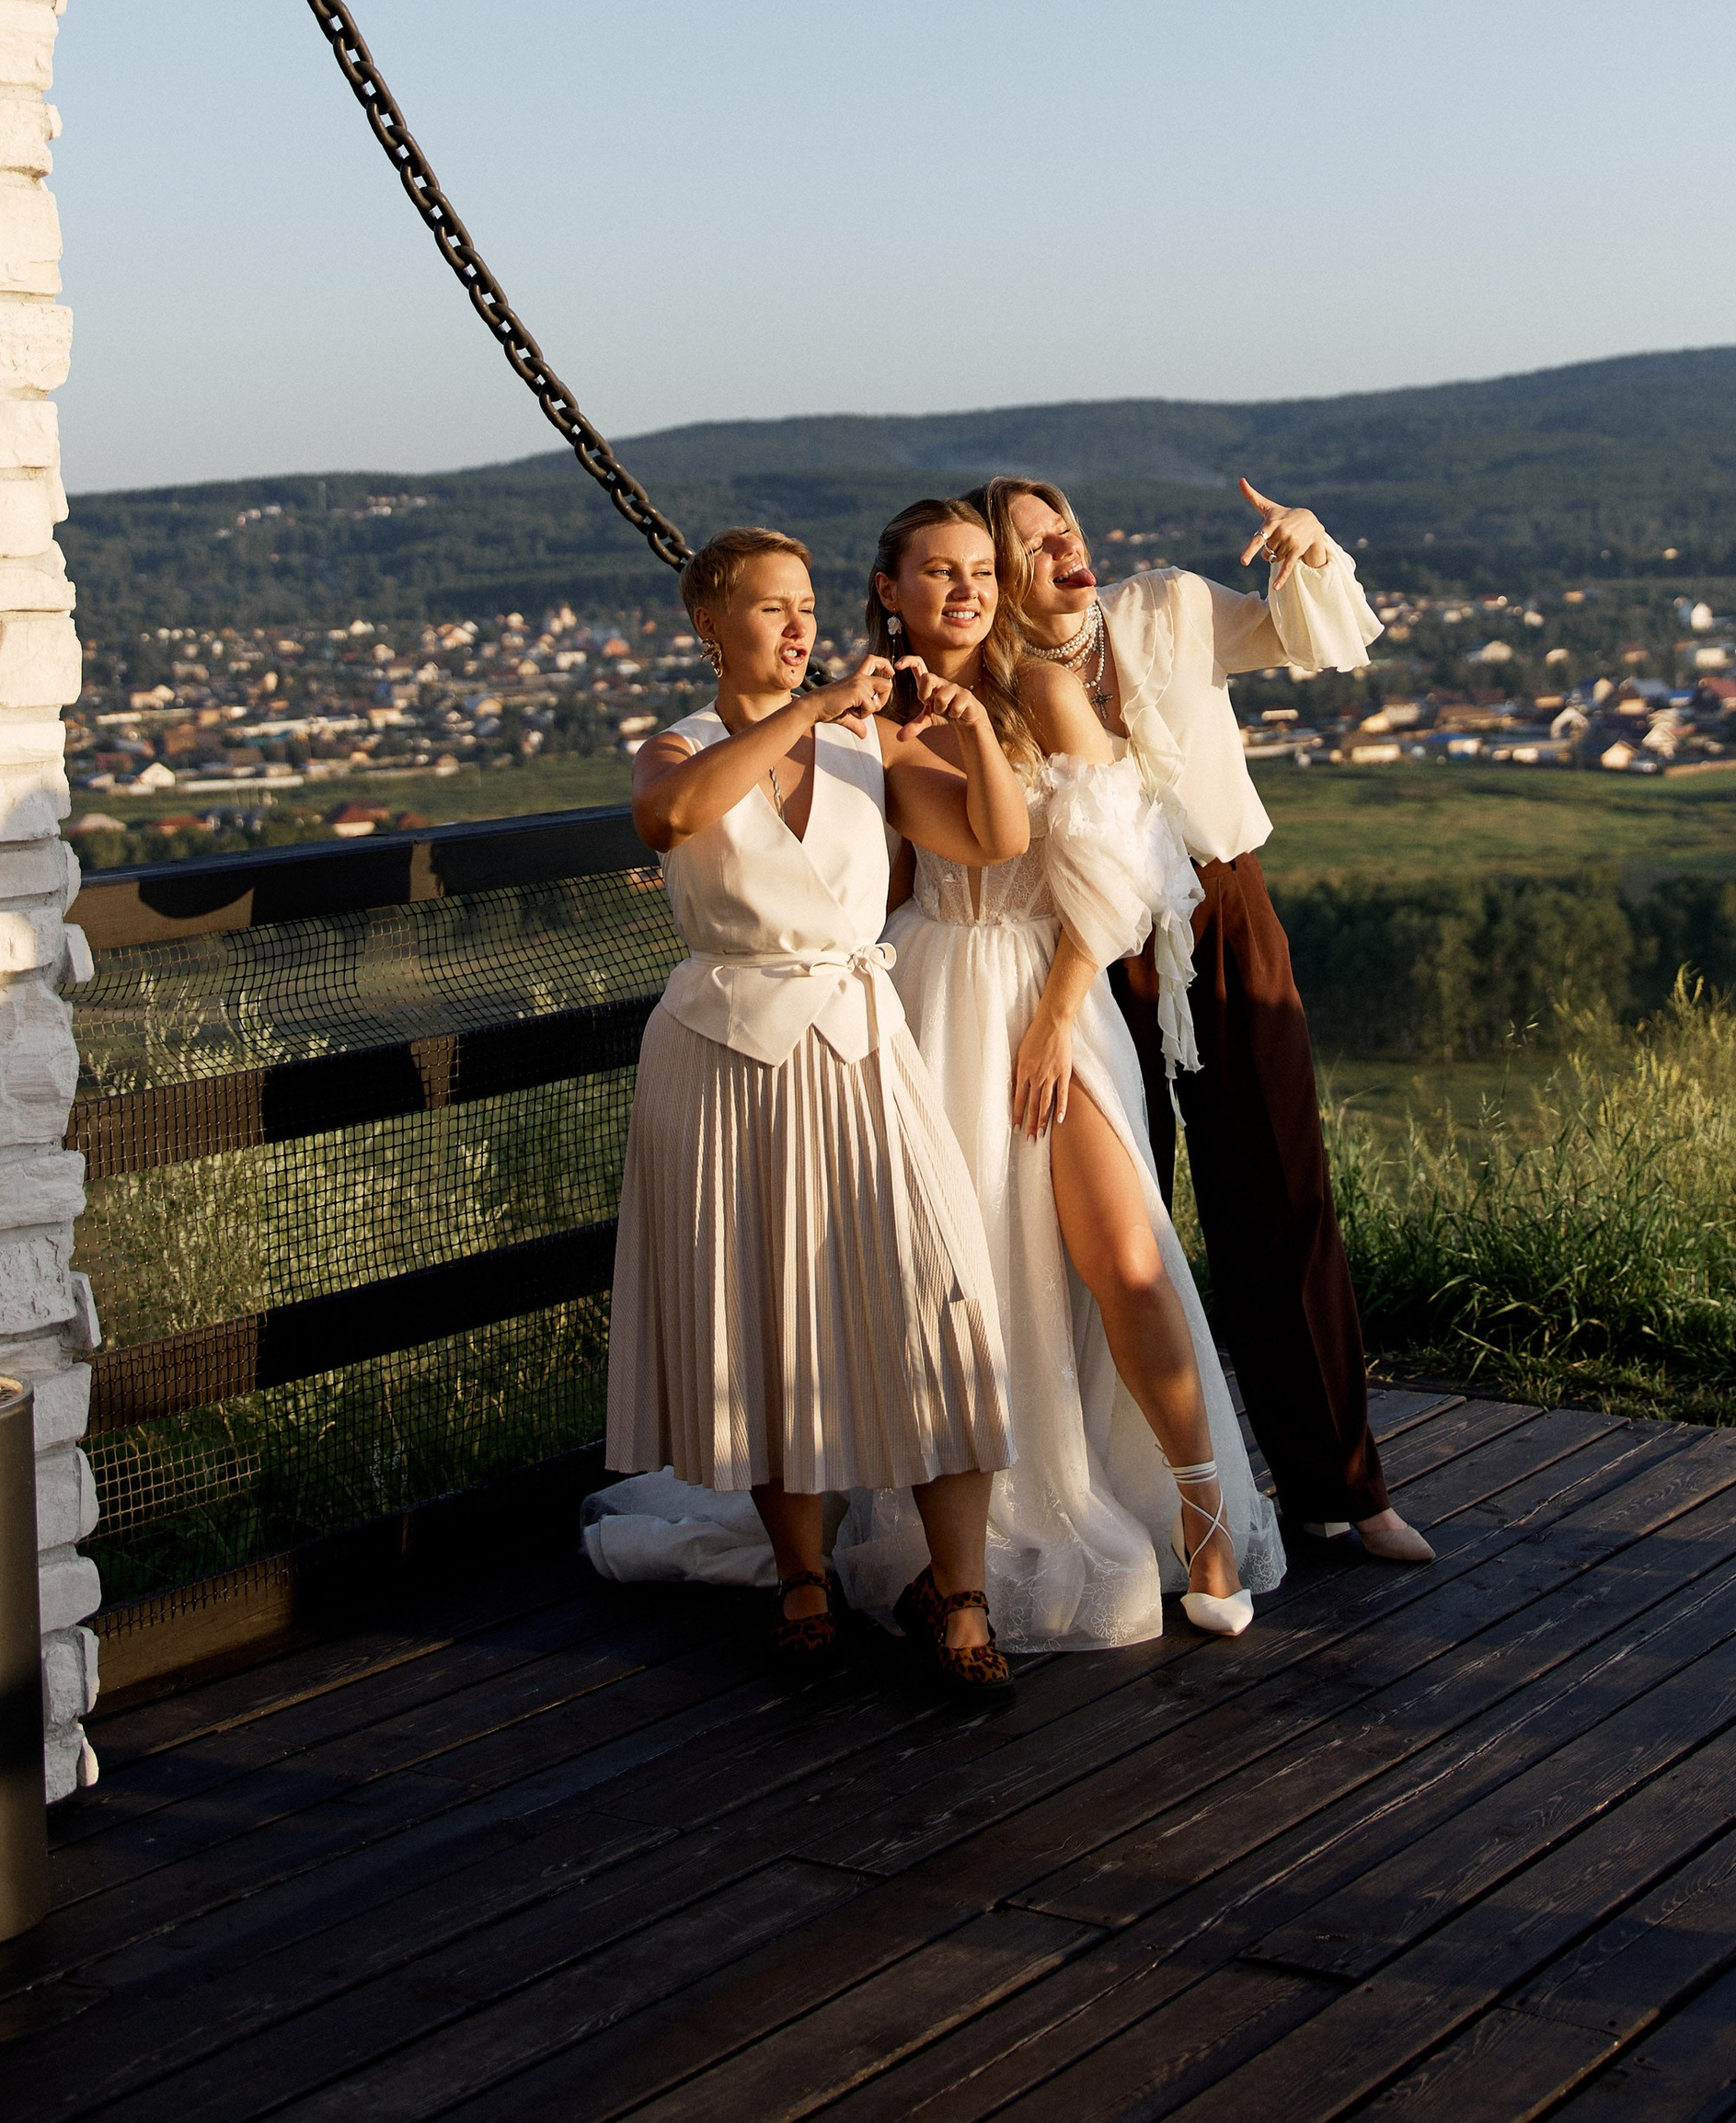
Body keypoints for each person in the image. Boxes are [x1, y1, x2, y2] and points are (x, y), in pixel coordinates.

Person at [967, 476, 1434, 1568]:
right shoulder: (992, 682)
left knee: (1278, 1192)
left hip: (1221, 913)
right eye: (1029, 545)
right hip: (1082, 951)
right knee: (1119, 1231)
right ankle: (1129, 1504)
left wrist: (1307, 550)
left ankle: (1340, 1489)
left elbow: (1301, 640)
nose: (1061, 549)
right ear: (997, 577)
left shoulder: (1168, 605)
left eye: (1065, 527)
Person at [840, 501, 1283, 1650]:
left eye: (982, 570)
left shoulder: (1037, 688)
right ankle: (967, 1541)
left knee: (1125, 1260)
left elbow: (1125, 858)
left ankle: (1200, 1518)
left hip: (1053, 993)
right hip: (935, 990)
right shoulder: (873, 716)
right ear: (890, 589)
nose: (968, 591)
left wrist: (1052, 1021)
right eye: (938, 573)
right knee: (960, 1278)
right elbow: (899, 866)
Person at [604, 524, 1032, 1701]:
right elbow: (671, 820)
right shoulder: (678, 744)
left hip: (858, 1046)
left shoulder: (867, 744)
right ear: (711, 624)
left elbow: (996, 839)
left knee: (933, 1303)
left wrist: (978, 733)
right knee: (762, 1314)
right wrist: (809, 710)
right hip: (721, 1058)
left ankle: (962, 1595)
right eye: (771, 609)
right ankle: (801, 1580)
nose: (798, 628)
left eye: (806, 606)